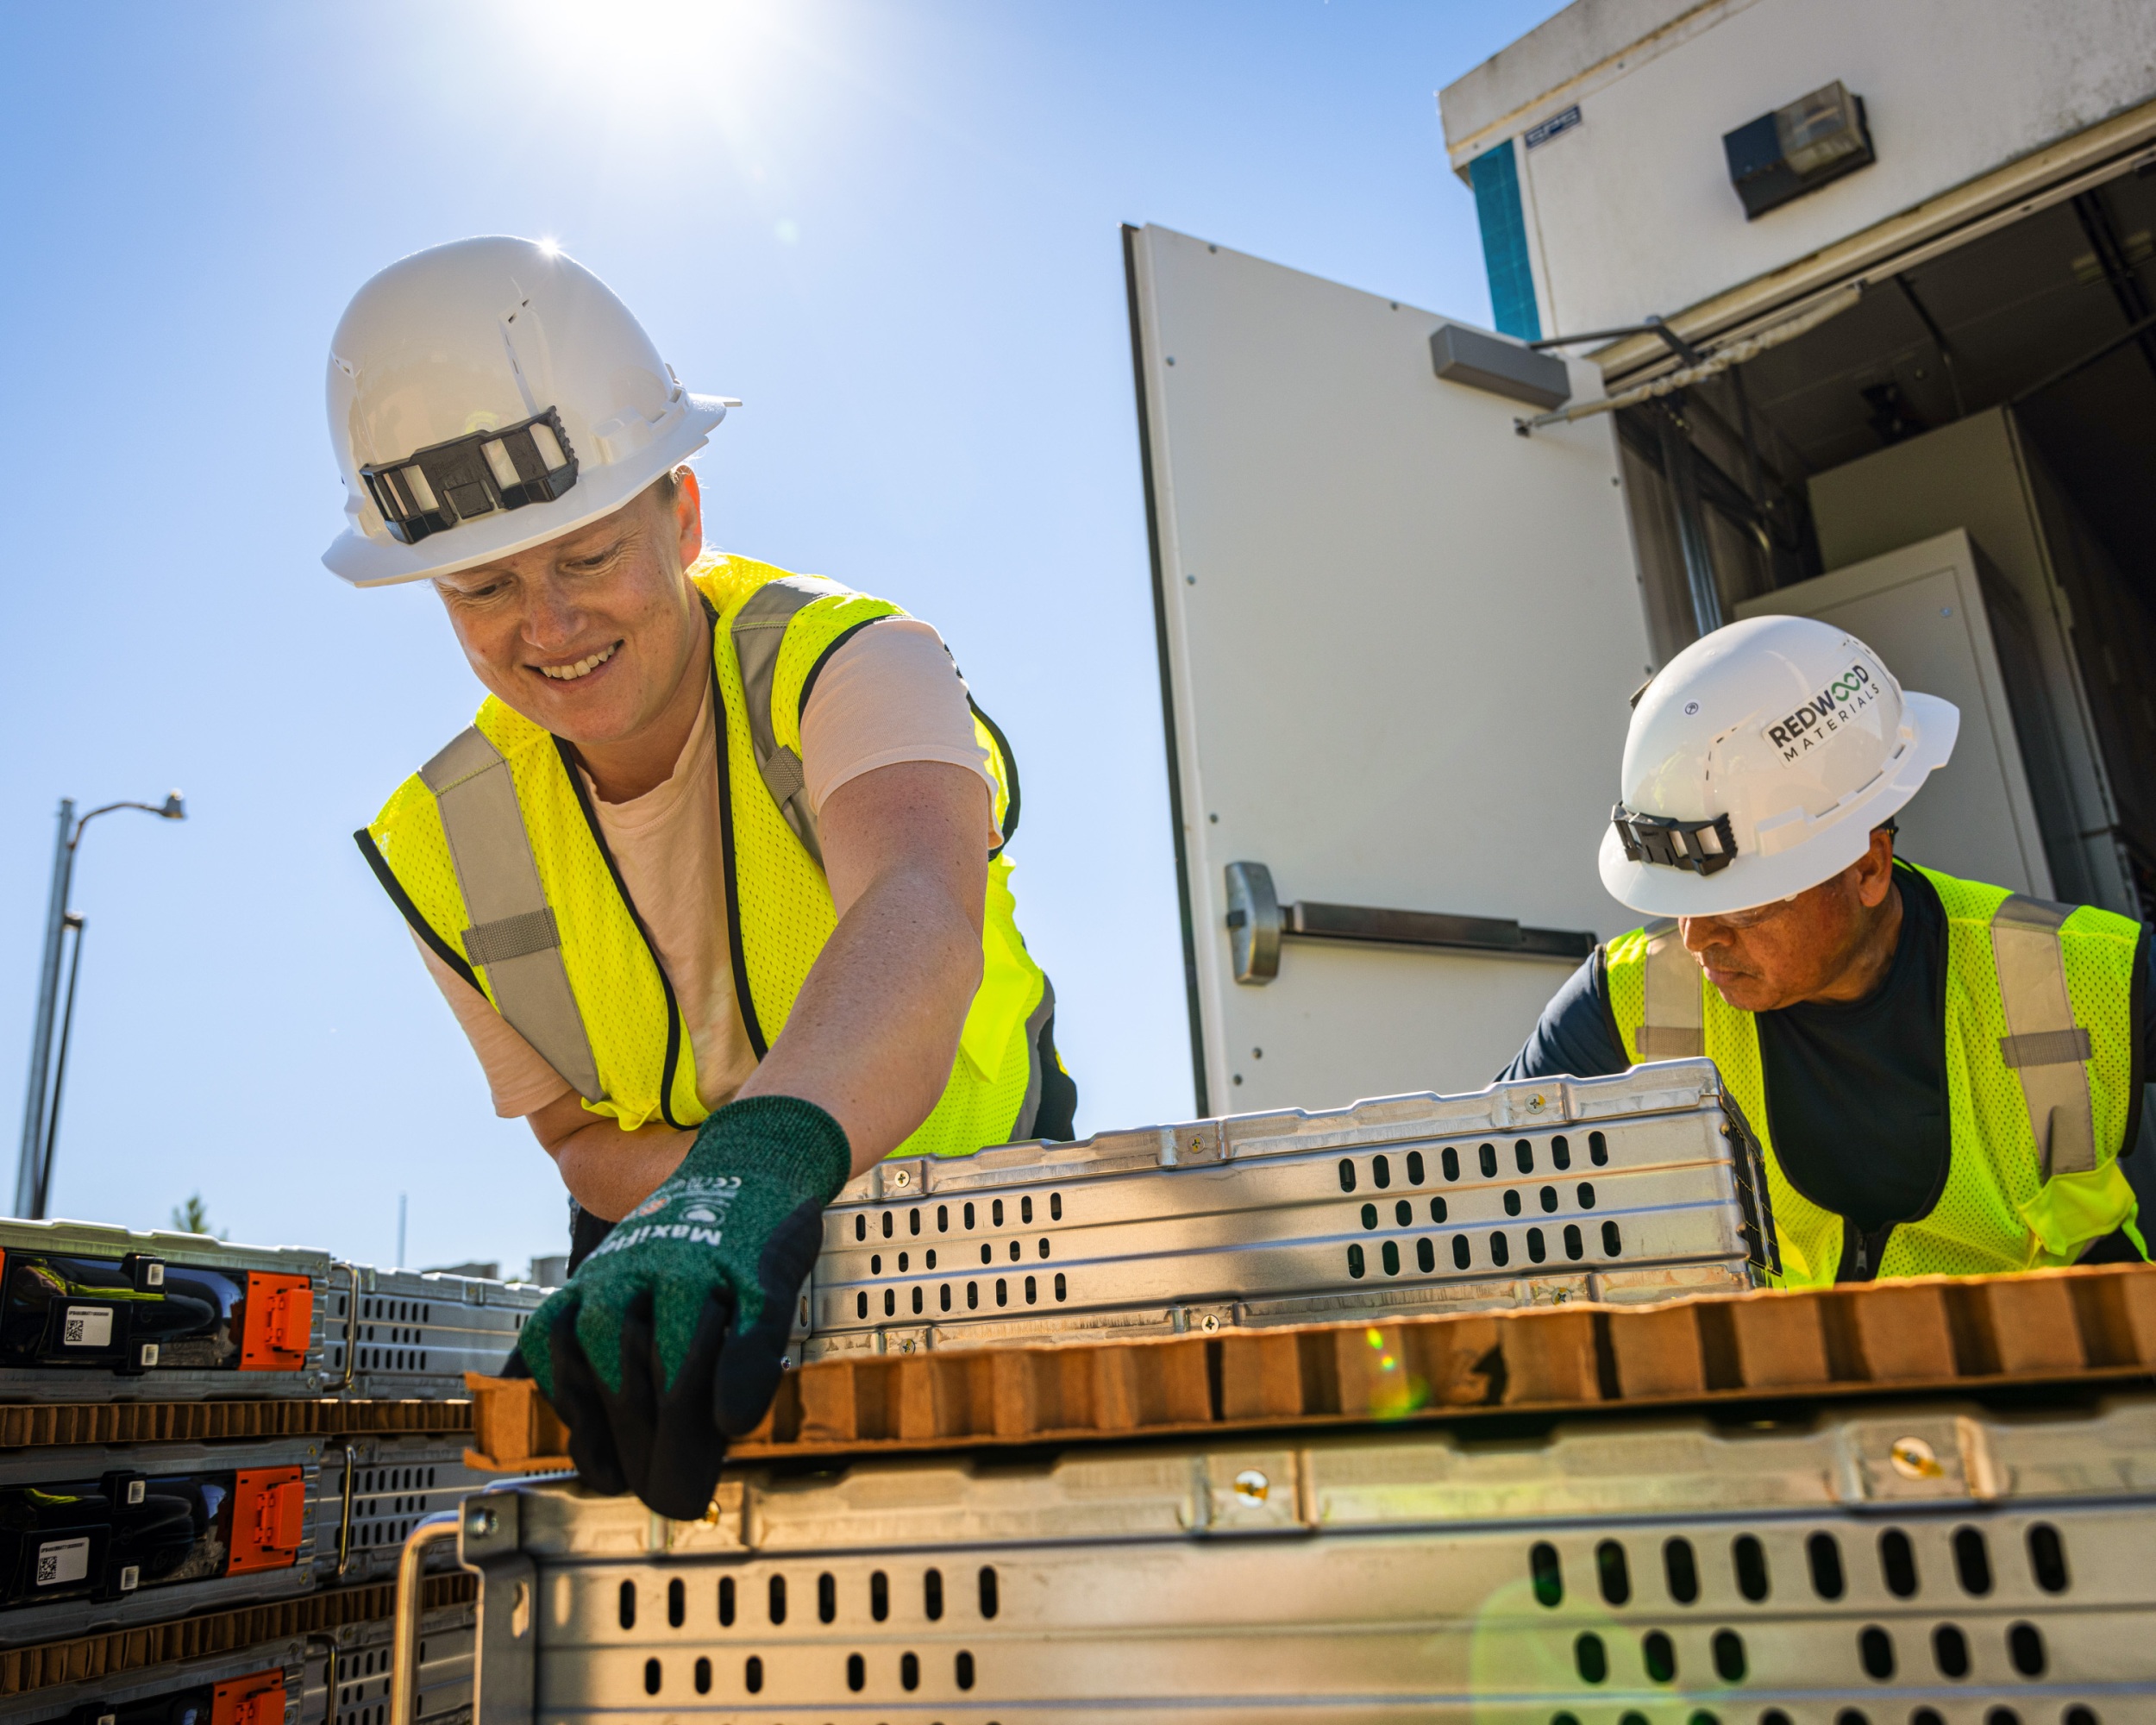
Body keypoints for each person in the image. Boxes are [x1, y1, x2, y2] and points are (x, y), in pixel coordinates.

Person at [328, 237, 1075, 1516]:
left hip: (979, 1249)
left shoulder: (846, 659)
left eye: (586, 555)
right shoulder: (439, 839)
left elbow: (916, 902)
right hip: (673, 1284)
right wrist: (702, 1213)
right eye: (484, 587)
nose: (547, 627)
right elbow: (575, 1138)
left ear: (680, 514)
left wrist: (747, 1169)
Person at [1502, 614, 2150, 1286]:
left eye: (1745, 908)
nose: (1697, 941)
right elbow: (1489, 1201)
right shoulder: (1630, 999)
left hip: (2066, 1372)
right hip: (1796, 1382)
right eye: (1682, 905)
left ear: (1869, 868)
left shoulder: (2076, 972)